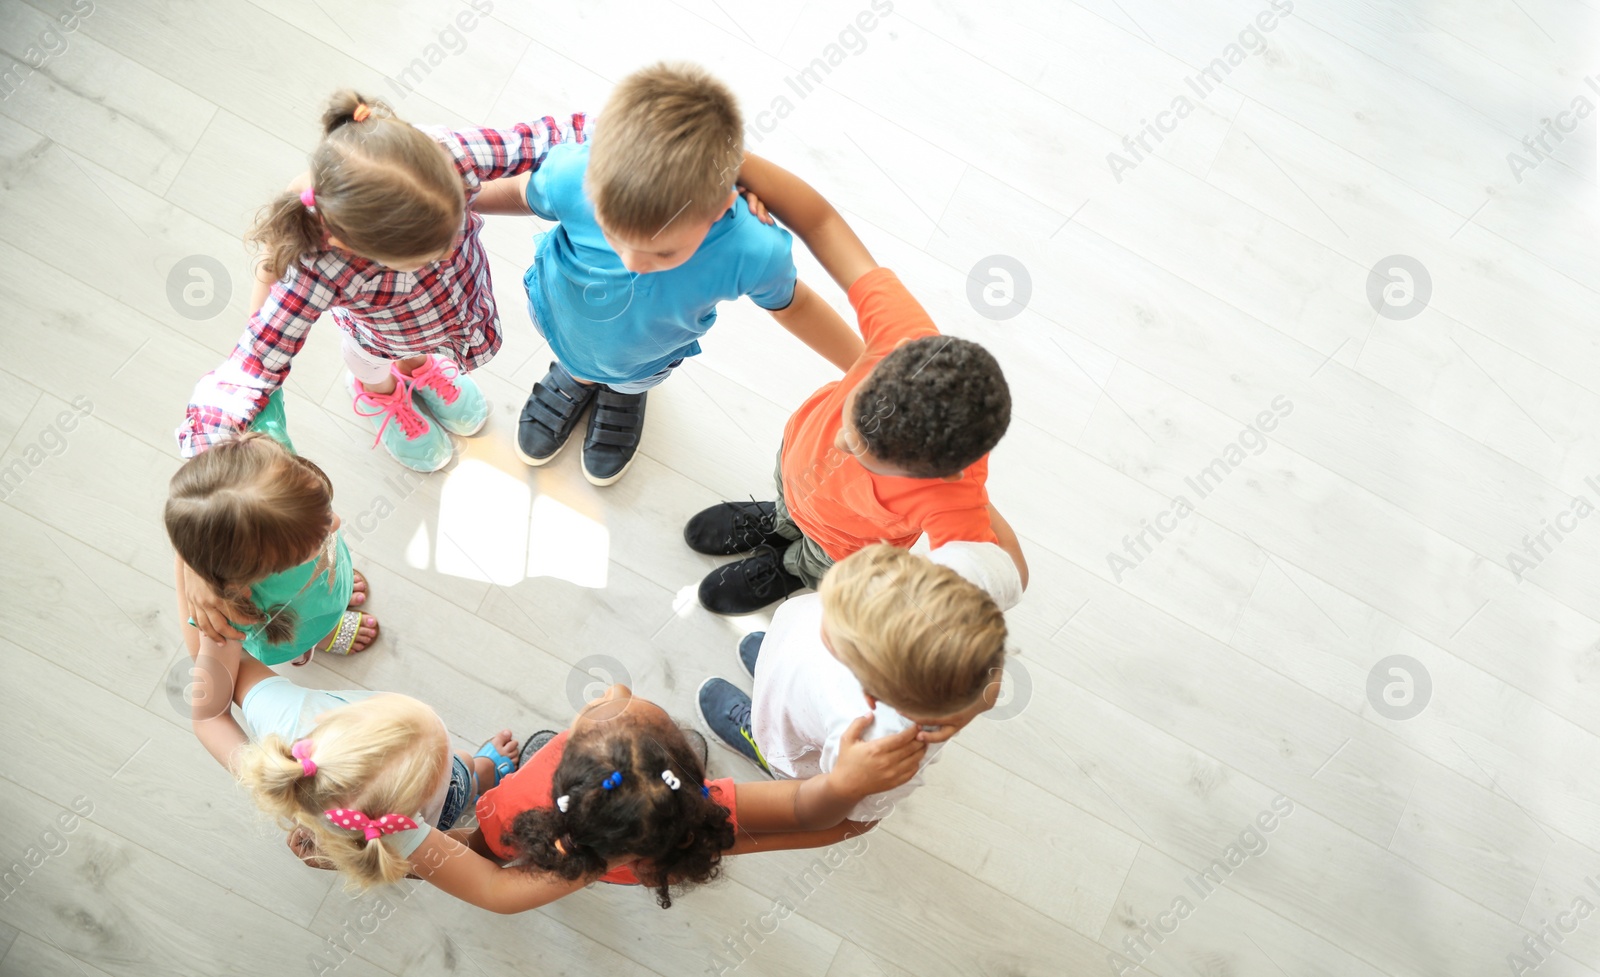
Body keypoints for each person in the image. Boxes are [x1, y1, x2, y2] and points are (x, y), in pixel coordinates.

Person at [472, 62, 863, 486]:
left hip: (646, 356)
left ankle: (624, 393)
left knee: (631, 377)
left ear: (718, 208)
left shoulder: (750, 248)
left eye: (662, 251)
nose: (633, 263)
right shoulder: (575, 175)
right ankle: (576, 375)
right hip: (560, 315)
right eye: (613, 234)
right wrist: (453, 202)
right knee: (575, 355)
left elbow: (795, 305)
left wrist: (865, 368)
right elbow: (516, 191)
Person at [685, 154, 1028, 614]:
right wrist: (728, 165)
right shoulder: (904, 335)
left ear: (940, 475)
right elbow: (823, 222)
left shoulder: (951, 496)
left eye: (868, 452)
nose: (843, 442)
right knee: (790, 495)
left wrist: (971, 509)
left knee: (821, 560)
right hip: (796, 467)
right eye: (855, 420)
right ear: (897, 354)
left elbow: (1007, 576)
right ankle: (781, 520)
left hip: (844, 543)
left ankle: (793, 566)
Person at [178, 89, 586, 472]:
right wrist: (212, 442)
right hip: (376, 339)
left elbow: (547, 137)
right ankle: (380, 395)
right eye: (427, 252)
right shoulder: (322, 265)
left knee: (420, 351)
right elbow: (255, 358)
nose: (448, 251)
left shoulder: (442, 156)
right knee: (371, 365)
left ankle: (420, 368)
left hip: (445, 312)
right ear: (348, 243)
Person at [467, 682, 924, 908]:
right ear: (693, 776)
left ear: (567, 765)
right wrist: (848, 789)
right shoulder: (696, 823)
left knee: (483, 844)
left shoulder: (509, 812)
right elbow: (811, 817)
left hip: (558, 837)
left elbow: (473, 855)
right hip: (634, 851)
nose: (618, 700)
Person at [697, 545, 1009, 825]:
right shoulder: (958, 575)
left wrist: (843, 785)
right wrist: (983, 695)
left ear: (870, 691)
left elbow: (836, 813)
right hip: (800, 664)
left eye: (830, 612)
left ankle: (767, 748)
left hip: (802, 730)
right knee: (785, 666)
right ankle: (777, 666)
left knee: (786, 737)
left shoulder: (877, 742)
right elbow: (1012, 569)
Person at [166, 415, 375, 662]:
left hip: (326, 580)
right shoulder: (232, 602)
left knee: (328, 577)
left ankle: (331, 598)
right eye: (316, 539)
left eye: (324, 507)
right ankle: (318, 638)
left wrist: (194, 564)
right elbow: (204, 670)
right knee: (300, 628)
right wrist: (190, 566)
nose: (337, 522)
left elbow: (246, 380)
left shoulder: (268, 462)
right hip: (293, 631)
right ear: (248, 574)